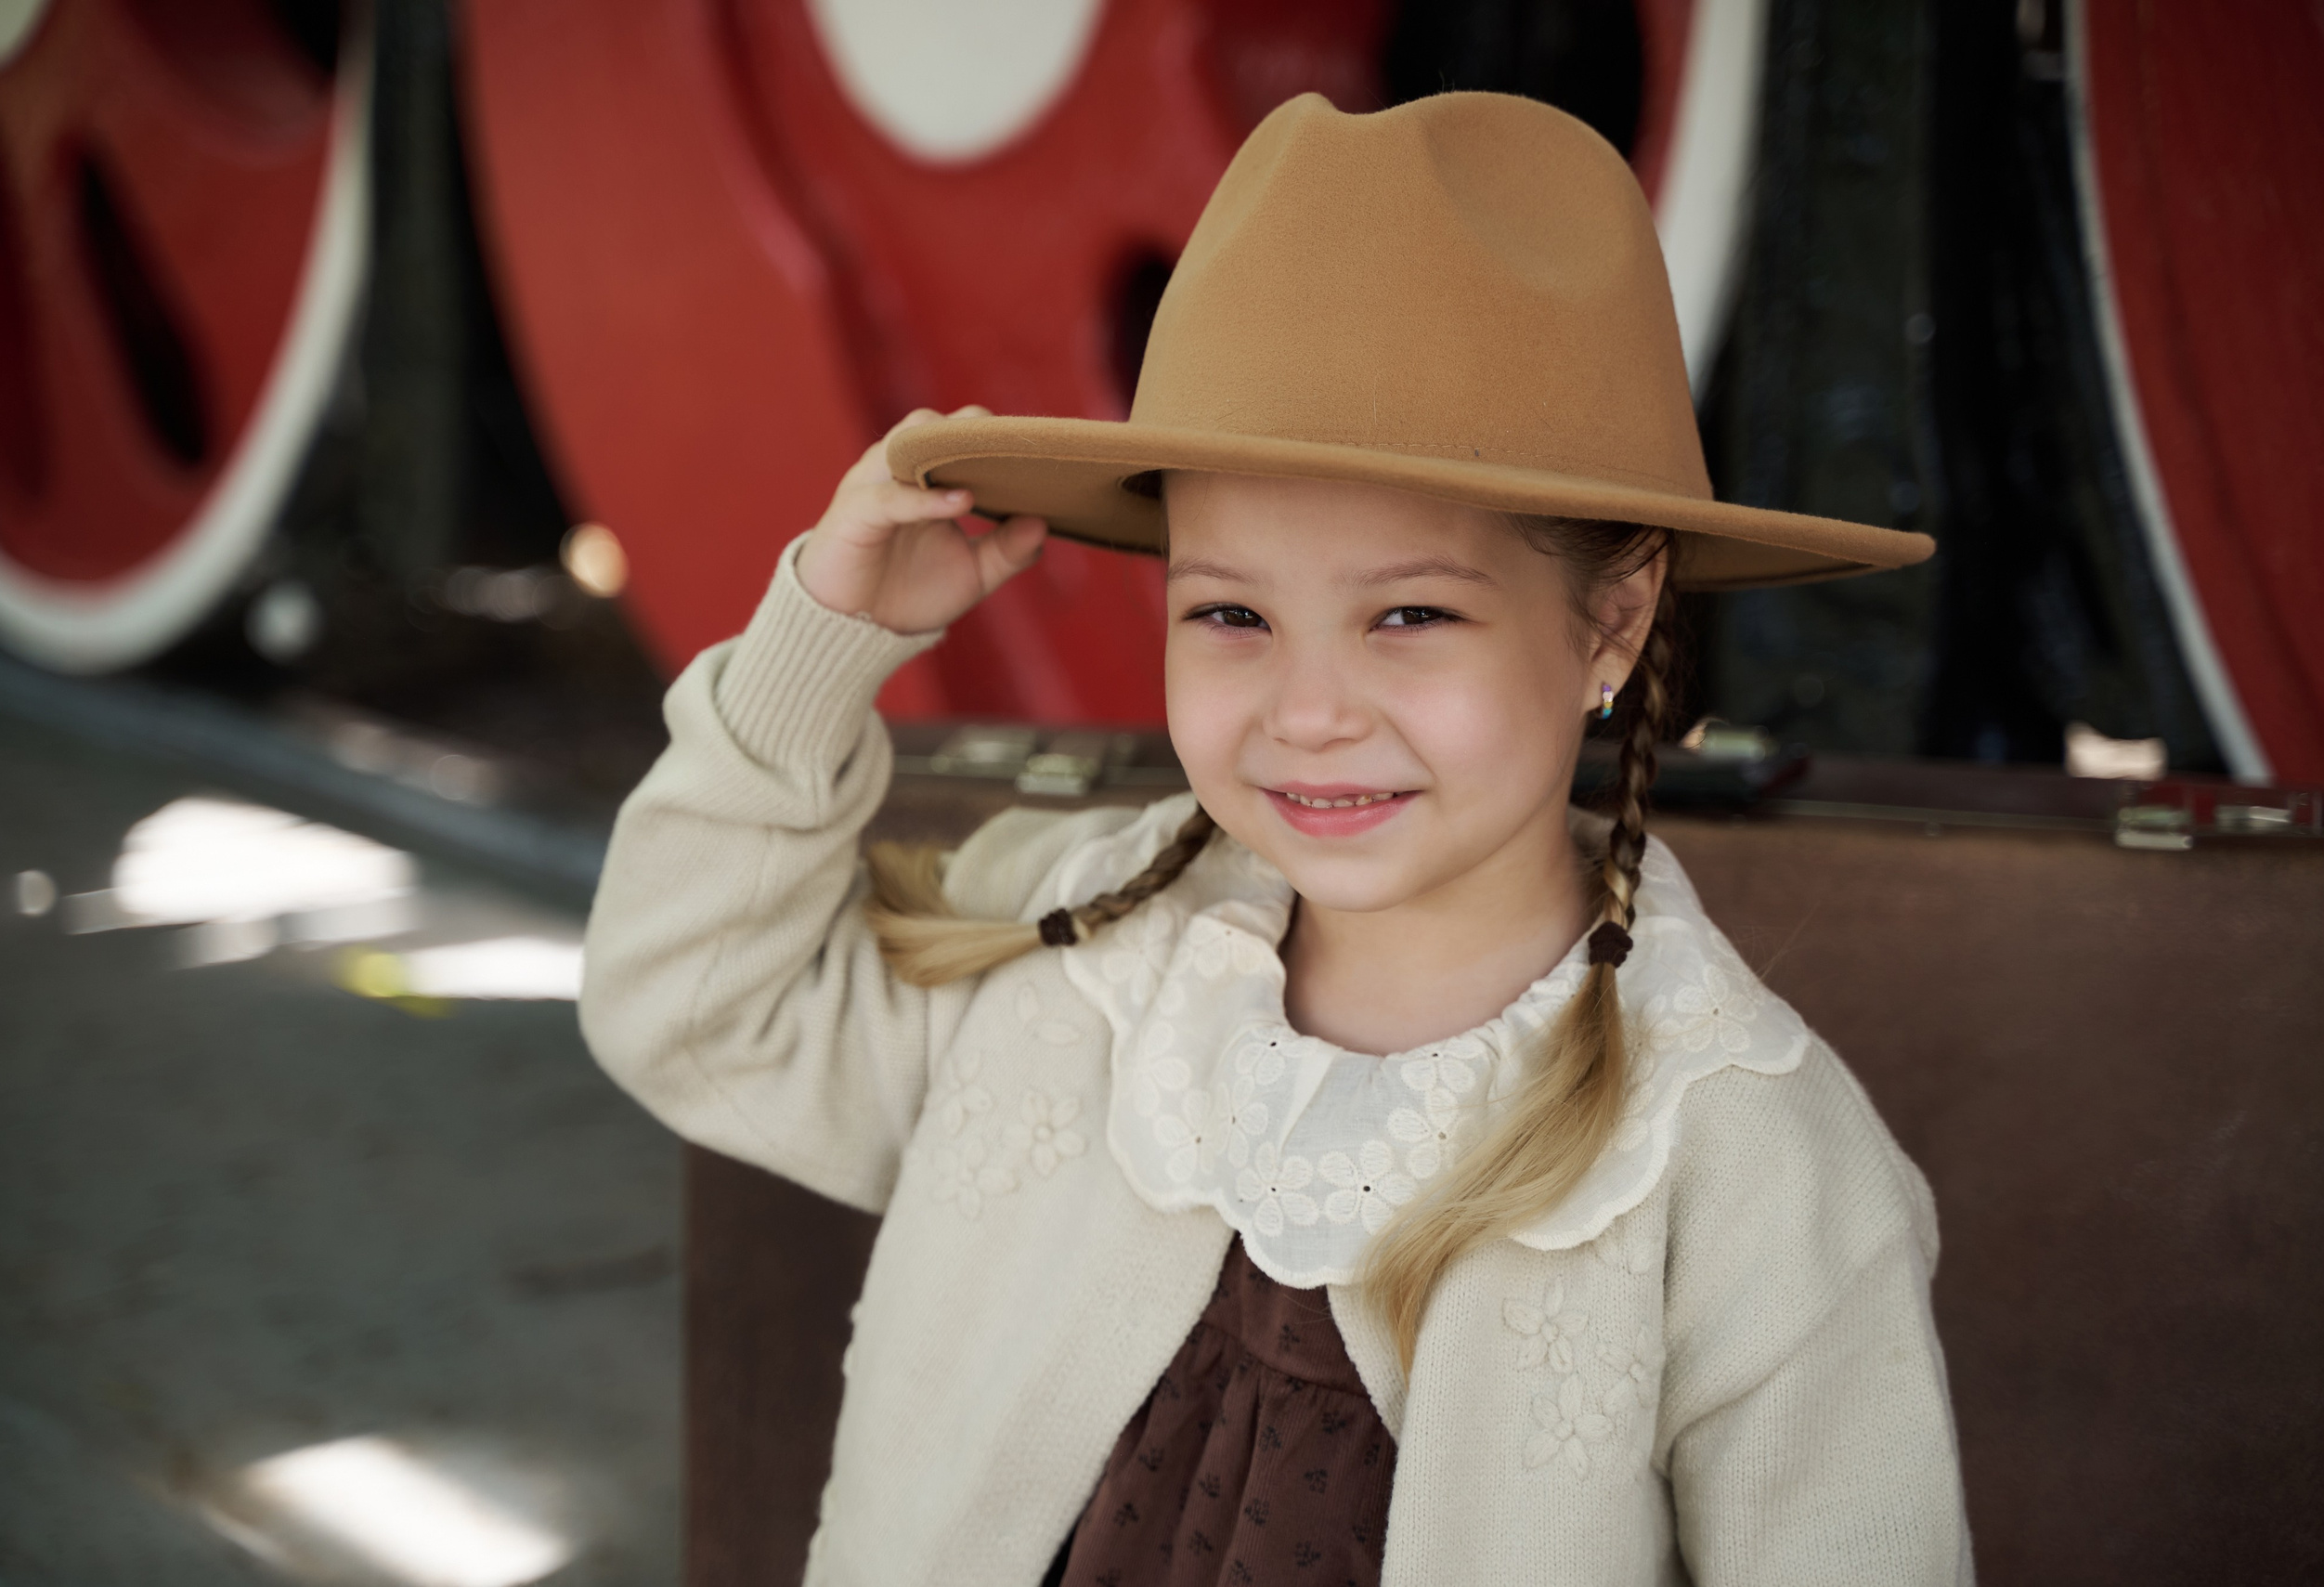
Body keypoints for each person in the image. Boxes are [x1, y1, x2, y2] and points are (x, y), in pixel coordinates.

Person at [581, 92, 1968, 1585]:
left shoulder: (1748, 1158)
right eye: (1231, 613)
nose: (1309, 711)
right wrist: (826, 638)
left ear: (1612, 620)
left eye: (1411, 615)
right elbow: (693, 1013)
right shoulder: (1080, 955)